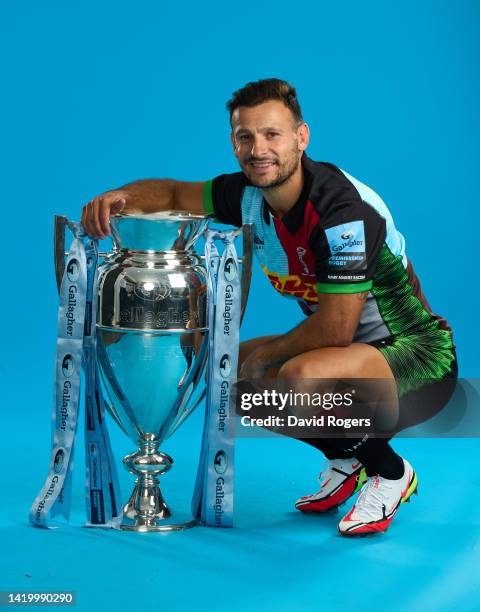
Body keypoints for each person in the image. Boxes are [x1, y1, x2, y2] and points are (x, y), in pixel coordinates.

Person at [81, 78, 457, 536]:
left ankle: (392, 472)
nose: (259, 149)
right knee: (232, 376)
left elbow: (337, 330)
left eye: (272, 134)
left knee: (297, 377)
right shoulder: (246, 196)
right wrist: (117, 196)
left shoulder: (343, 212)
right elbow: (174, 195)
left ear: (301, 137)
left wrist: (268, 353)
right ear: (234, 143)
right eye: (245, 136)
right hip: (350, 355)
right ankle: (345, 459)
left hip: (418, 357)